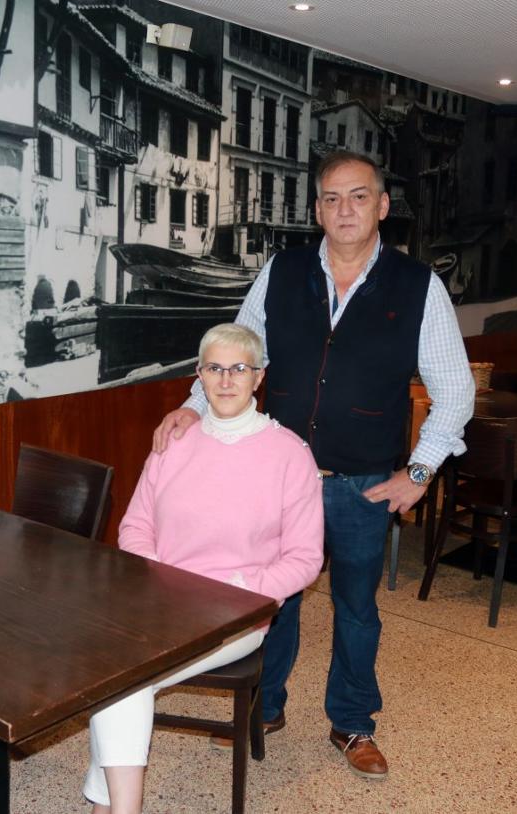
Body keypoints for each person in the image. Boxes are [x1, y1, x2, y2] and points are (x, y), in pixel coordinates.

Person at [152, 150, 474, 779]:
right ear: (318, 210)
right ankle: (264, 708)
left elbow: (456, 392)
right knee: (272, 600)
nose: (344, 209)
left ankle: (352, 723)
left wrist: (418, 473)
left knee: (356, 609)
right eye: (331, 198)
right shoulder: (283, 271)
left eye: (359, 196)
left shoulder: (418, 286)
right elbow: (237, 353)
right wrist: (193, 407)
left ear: (383, 206)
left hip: (364, 485)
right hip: (280, 480)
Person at [84, 323, 324, 814]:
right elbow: (135, 526)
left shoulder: (290, 454)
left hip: (236, 614)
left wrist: (240, 589)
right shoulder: (173, 443)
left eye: (239, 369)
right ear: (199, 375)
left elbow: (305, 560)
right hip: (160, 602)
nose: (227, 380)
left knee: (124, 676)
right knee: (113, 668)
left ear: (259, 377)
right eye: (215, 368)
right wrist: (159, 575)